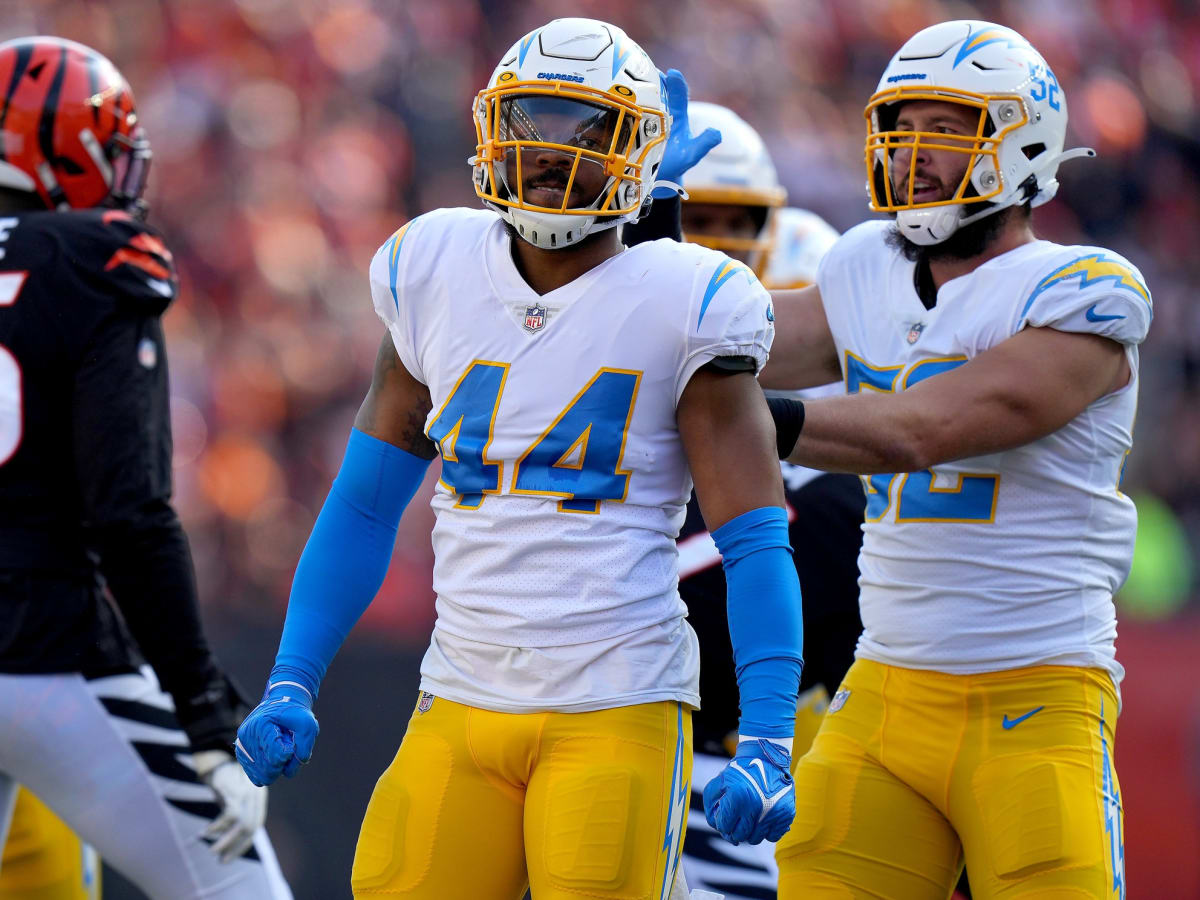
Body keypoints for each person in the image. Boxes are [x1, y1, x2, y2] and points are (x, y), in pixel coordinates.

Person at [234, 17, 804, 899]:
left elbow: (756, 539)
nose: (547, 151)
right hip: (459, 694)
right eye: (528, 121)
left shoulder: (688, 298)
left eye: (583, 128)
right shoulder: (434, 267)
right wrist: (290, 678)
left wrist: (767, 738)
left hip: (617, 703)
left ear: (640, 151)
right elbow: (362, 505)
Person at [756, 20, 1142, 898]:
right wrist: (632, 270)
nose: (914, 153)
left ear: (1022, 141)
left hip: (1036, 697)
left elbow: (919, 431)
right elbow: (734, 347)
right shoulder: (864, 268)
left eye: (948, 129)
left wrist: (750, 418)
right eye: (904, 127)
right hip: (886, 692)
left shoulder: (1084, 290)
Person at [0, 37, 291, 899]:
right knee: (240, 890)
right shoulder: (95, 259)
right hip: (50, 654)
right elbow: (129, 511)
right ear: (71, 147)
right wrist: (203, 708)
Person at [626, 100, 863, 900]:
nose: (719, 236)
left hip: (787, 670)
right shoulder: (602, 298)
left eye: (738, 217)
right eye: (699, 215)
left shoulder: (812, 281)